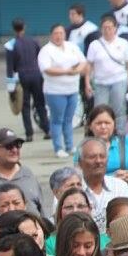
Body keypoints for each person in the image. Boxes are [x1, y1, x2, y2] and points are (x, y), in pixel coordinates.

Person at [39, 23, 86, 157]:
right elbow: (47, 69)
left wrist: (77, 70)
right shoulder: (46, 50)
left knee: (69, 119)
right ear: (51, 35)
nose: (59, 36)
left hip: (72, 88)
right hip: (55, 91)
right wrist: (66, 71)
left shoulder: (72, 47)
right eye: (56, 33)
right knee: (57, 119)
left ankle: (70, 146)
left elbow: (83, 61)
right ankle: (58, 147)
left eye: (61, 33)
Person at [85, 13, 128, 134]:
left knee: (119, 109)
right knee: (99, 109)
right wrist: (87, 83)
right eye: (104, 28)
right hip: (100, 82)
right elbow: (89, 65)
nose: (107, 30)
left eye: (110, 27)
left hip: (119, 80)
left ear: (115, 28)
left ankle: (120, 134)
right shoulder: (95, 45)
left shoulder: (123, 43)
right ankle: (99, 134)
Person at [0, 128, 50, 219]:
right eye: (9, 146)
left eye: (18, 145)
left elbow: (42, 211)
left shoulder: (27, 174)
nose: (14, 150)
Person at [5, 18, 49, 141]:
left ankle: (29, 134)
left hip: (22, 77)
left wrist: (11, 87)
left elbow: (10, 68)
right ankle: (47, 129)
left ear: (13, 29)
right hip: (36, 75)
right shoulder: (34, 41)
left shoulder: (10, 45)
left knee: (25, 106)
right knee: (40, 103)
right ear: (24, 27)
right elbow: (40, 57)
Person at [77, 137, 128, 234]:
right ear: (80, 162)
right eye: (92, 157)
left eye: (102, 156)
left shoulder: (120, 186)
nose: (98, 161)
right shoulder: (72, 189)